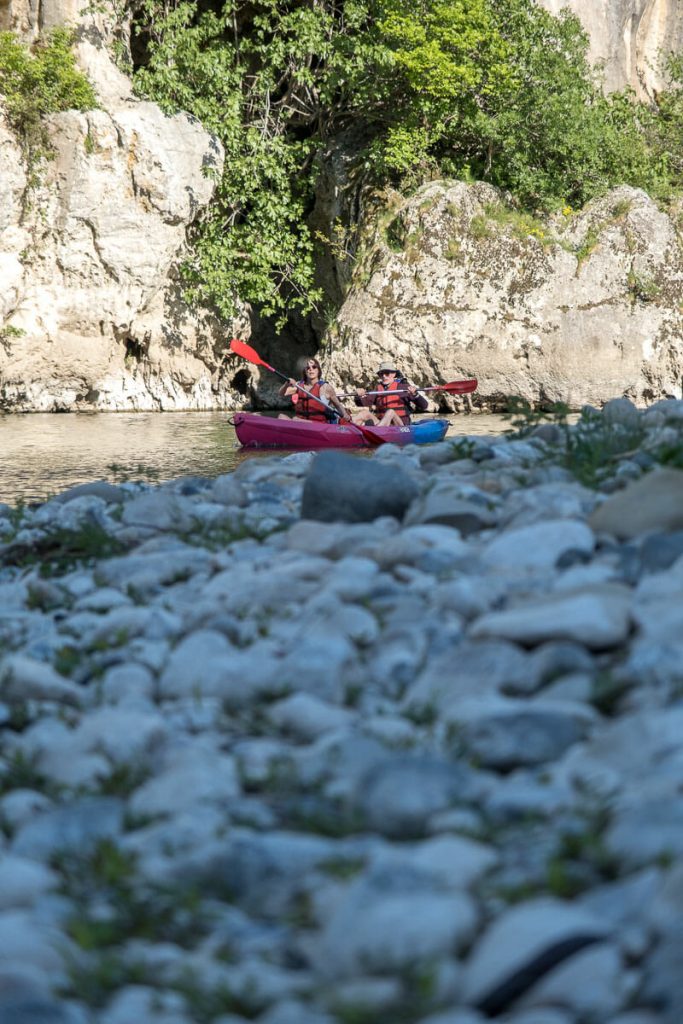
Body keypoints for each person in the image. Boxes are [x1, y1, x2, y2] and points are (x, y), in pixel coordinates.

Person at [354, 360, 428, 426]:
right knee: (364, 413)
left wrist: (415, 394)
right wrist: (358, 396)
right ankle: (349, 429)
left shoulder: (404, 387)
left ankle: (378, 430)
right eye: (381, 374)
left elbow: (424, 406)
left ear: (394, 374)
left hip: (400, 425)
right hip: (383, 423)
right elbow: (362, 403)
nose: (384, 376)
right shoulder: (378, 389)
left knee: (390, 412)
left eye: (387, 373)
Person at [278, 357, 350, 422]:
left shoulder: (326, 388)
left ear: (318, 370)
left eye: (314, 367)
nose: (311, 369)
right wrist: (286, 384)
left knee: (295, 419)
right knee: (281, 416)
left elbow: (338, 405)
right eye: (308, 368)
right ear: (305, 371)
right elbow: (281, 393)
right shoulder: (298, 386)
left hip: (317, 425)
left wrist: (345, 414)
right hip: (300, 422)